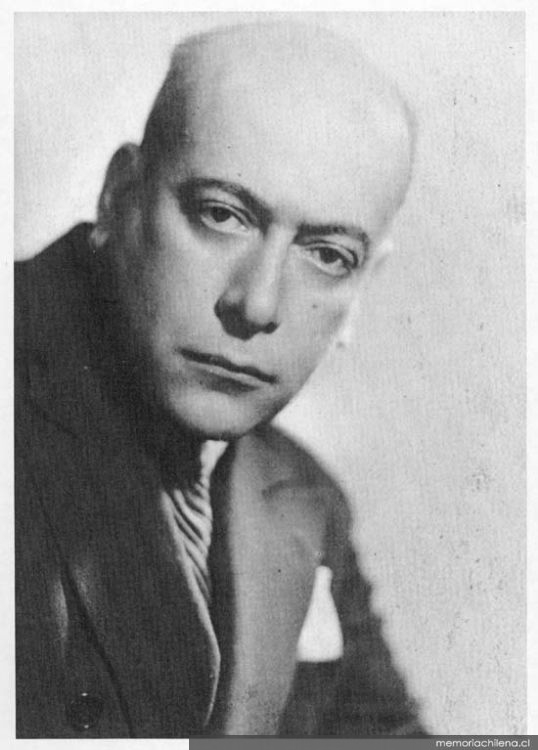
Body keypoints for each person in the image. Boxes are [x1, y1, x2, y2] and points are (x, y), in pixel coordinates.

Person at [15, 20, 425, 737]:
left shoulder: (304, 497)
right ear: (119, 196)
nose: (258, 304)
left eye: (328, 255)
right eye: (222, 215)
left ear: (361, 288)